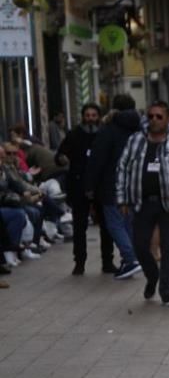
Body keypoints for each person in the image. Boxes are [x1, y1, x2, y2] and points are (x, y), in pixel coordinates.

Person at [115, 100, 169, 307]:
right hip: (142, 202)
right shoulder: (136, 141)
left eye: (158, 116)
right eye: (150, 116)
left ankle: (167, 292)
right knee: (140, 246)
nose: (154, 120)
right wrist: (122, 198)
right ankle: (152, 276)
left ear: (168, 118)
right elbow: (122, 169)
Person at [84, 93, 142, 281]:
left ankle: (130, 258)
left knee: (114, 223)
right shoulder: (139, 127)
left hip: (112, 182)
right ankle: (130, 260)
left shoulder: (109, 129)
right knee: (129, 223)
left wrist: (90, 184)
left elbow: (97, 159)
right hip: (135, 182)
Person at [58, 103, 113, 275]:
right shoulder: (74, 134)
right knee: (80, 226)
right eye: (87, 115)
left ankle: (107, 261)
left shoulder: (104, 134)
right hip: (79, 184)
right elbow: (60, 154)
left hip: (100, 185)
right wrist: (62, 159)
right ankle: (79, 262)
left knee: (106, 225)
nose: (90, 118)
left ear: (98, 116)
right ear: (83, 116)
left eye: (93, 115)